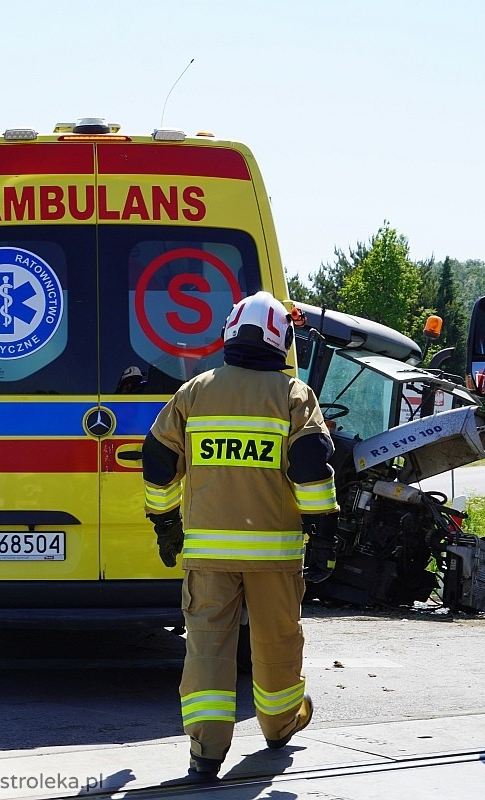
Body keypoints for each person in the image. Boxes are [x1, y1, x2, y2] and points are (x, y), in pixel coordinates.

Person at [141, 291, 340, 781]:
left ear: (231, 332)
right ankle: (279, 725)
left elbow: (159, 461)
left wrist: (166, 524)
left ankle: (206, 754)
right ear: (281, 338)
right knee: (276, 643)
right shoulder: (293, 395)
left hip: (207, 555)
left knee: (207, 647)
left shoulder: (195, 392)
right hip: (274, 554)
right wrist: (324, 535)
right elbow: (312, 468)